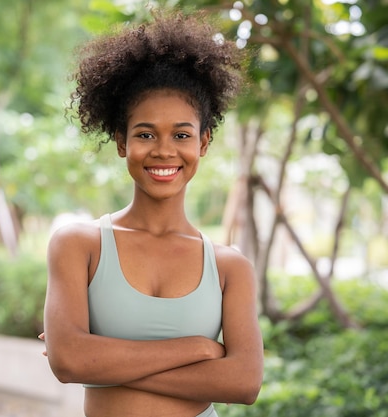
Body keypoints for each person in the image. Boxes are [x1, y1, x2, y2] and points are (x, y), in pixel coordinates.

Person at [41, 10, 264, 417]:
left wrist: (101, 364)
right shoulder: (80, 245)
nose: (164, 150)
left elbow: (244, 383)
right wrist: (197, 349)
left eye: (182, 135)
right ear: (121, 141)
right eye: (145, 134)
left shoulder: (230, 267)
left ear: (204, 142)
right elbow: (69, 361)